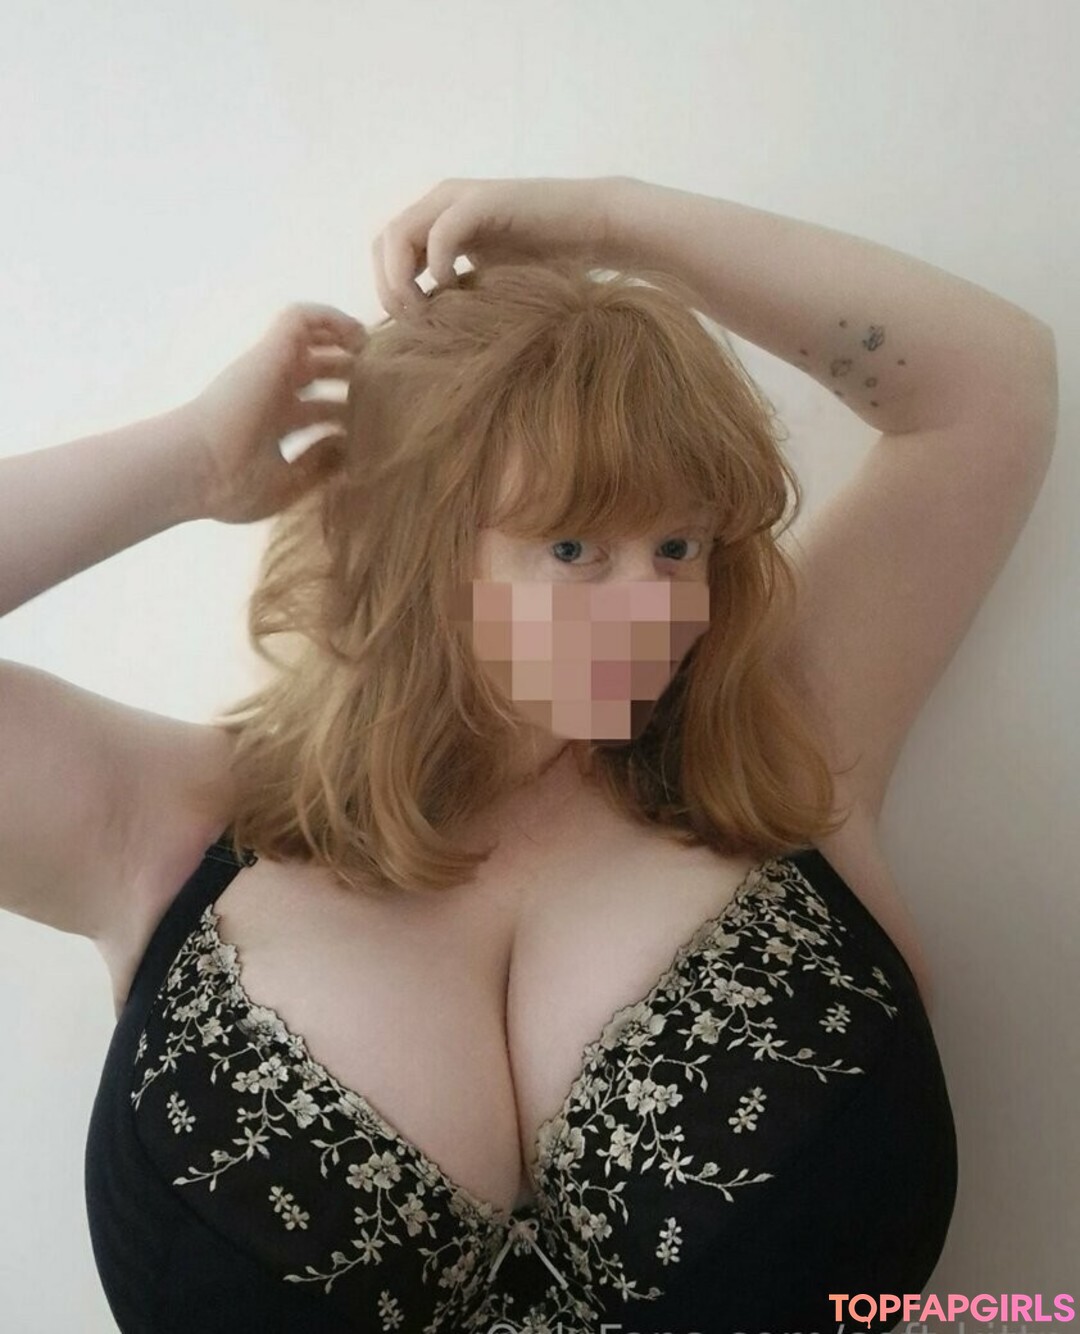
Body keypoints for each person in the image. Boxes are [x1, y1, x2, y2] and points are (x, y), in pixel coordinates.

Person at [0, 176, 1057, 1333]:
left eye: (679, 544)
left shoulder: (780, 741)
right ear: (414, 549)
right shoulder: (168, 824)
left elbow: (990, 385)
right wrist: (195, 461)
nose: (657, 611)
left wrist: (610, 225)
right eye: (573, 547)